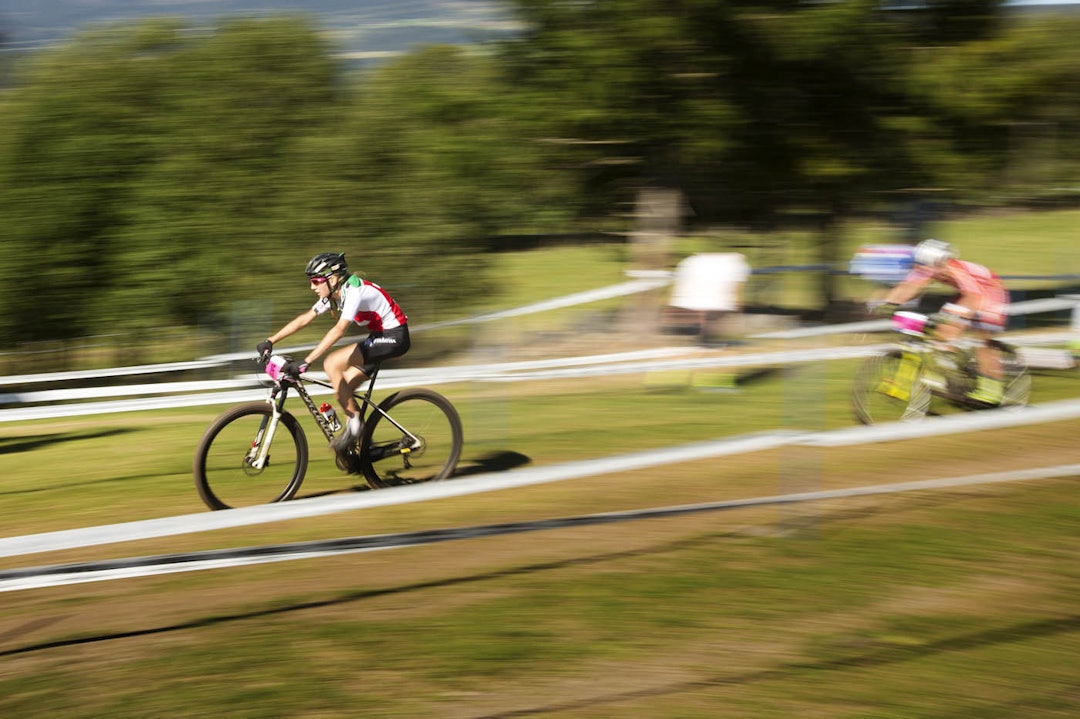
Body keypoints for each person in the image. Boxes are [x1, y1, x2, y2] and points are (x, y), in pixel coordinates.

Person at [256, 252, 410, 452]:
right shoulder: (334, 295)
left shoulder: (354, 291)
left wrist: (307, 360)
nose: (312, 287)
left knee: (331, 363)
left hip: (395, 337)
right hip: (379, 337)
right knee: (342, 390)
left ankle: (355, 427)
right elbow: (305, 318)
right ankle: (365, 451)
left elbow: (339, 330)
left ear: (333, 278)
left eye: (316, 281)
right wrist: (270, 340)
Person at [872, 239, 1009, 405]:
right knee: (941, 333)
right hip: (968, 294)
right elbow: (908, 287)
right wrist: (889, 303)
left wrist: (954, 315)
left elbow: (974, 297)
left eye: (926, 265)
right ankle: (950, 374)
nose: (922, 269)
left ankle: (992, 391)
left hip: (989, 292)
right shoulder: (927, 268)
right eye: (920, 265)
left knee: (982, 341)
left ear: (940, 262)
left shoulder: (956, 269)